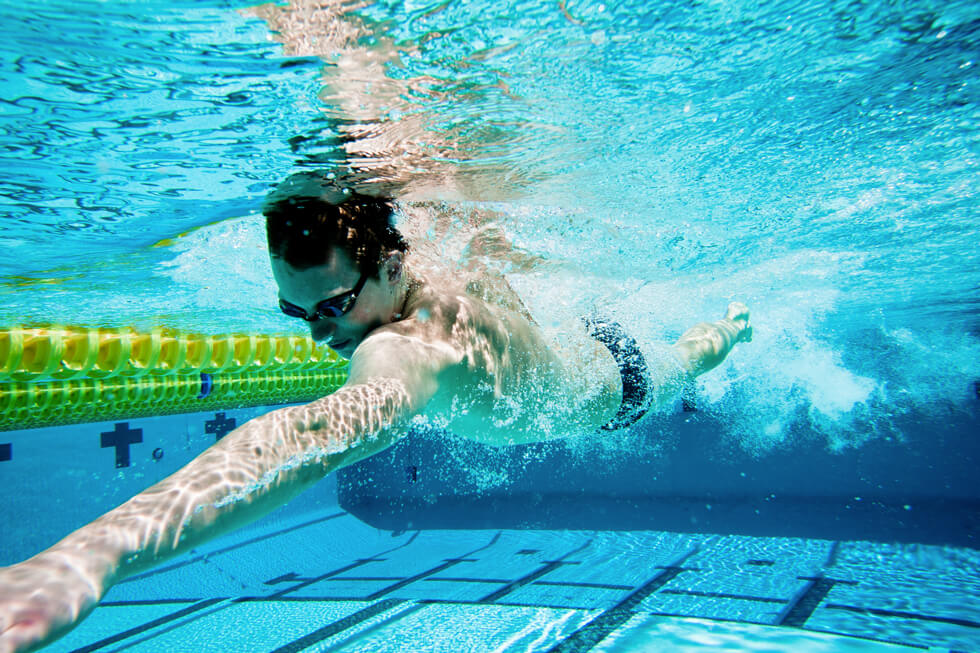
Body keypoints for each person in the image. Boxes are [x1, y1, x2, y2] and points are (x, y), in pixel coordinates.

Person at [0, 173, 751, 653]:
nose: (320, 332)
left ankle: (735, 326)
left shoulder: (406, 349)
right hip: (562, 341)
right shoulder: (413, 278)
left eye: (332, 306)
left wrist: (92, 556)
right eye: (293, 311)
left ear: (391, 266)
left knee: (697, 351)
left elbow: (304, 434)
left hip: (616, 386)